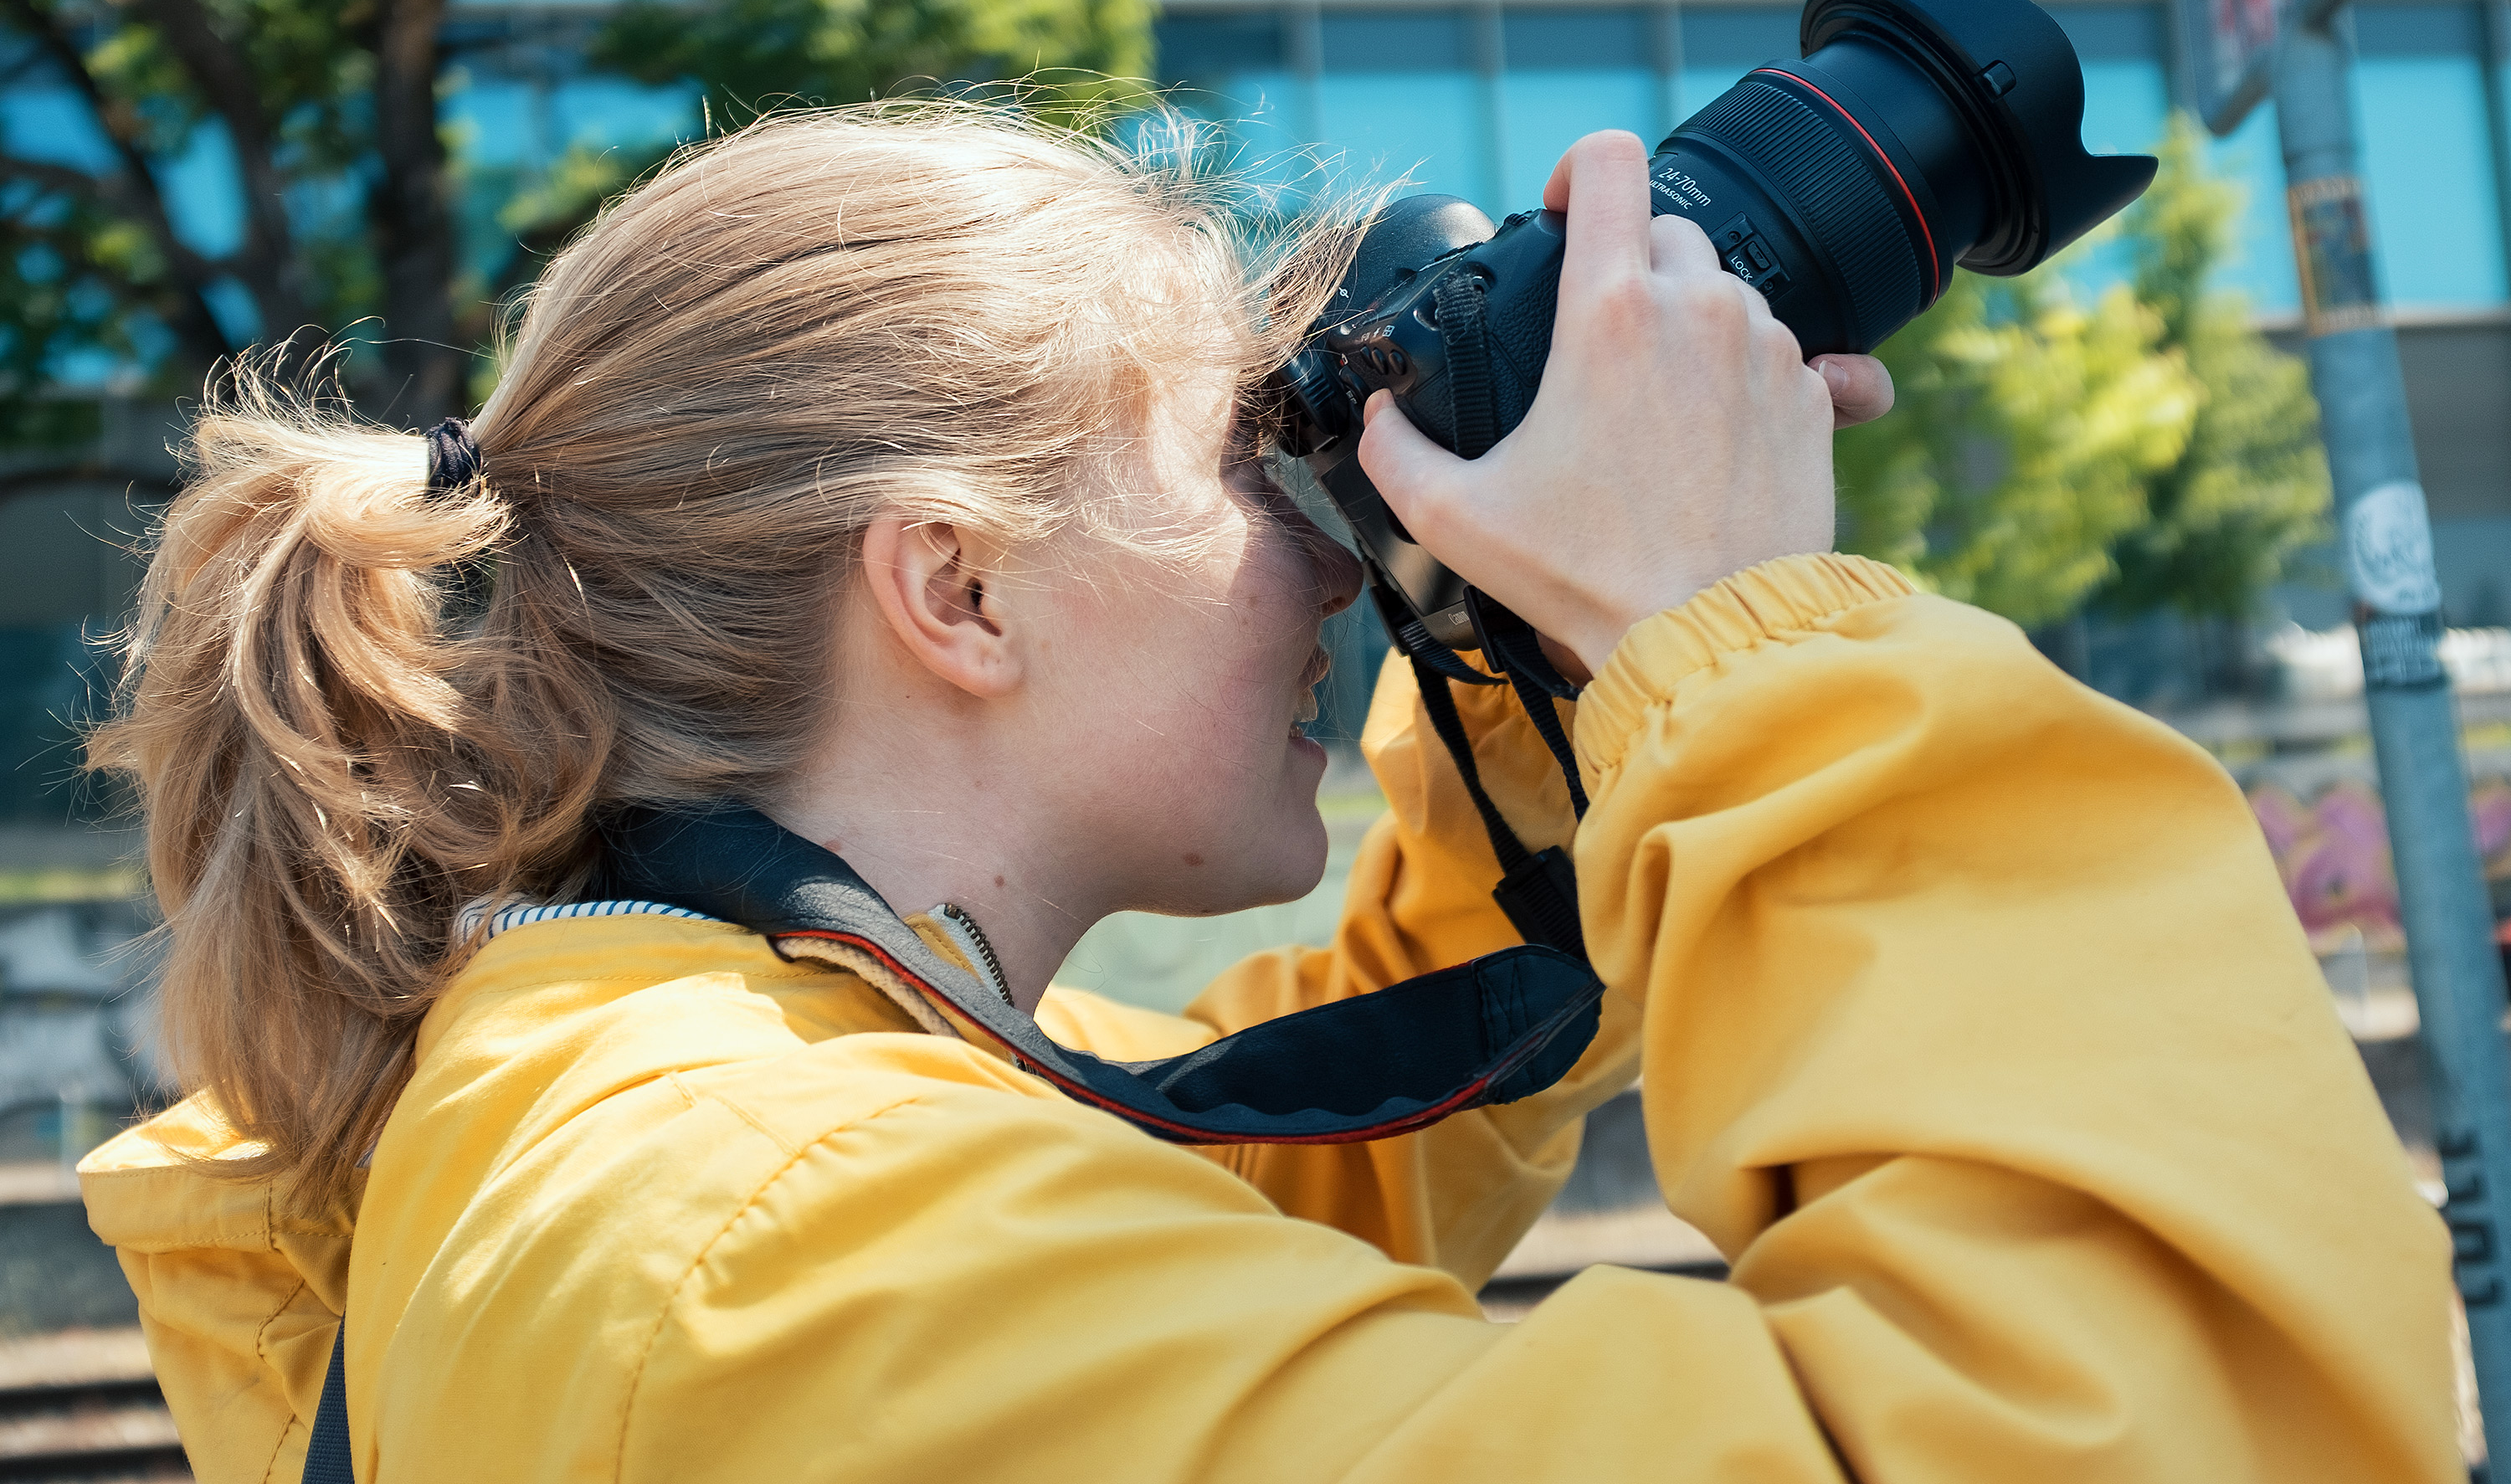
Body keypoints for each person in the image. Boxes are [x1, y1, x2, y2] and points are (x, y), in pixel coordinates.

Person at [79, 106, 2457, 1483]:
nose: (1328, 540)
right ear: (961, 587)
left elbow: (1276, 1164)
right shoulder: (761, 1240)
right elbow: (2138, 1426)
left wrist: (1555, 660)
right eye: (1252, 460)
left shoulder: (728, 1107)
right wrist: (1761, 640)